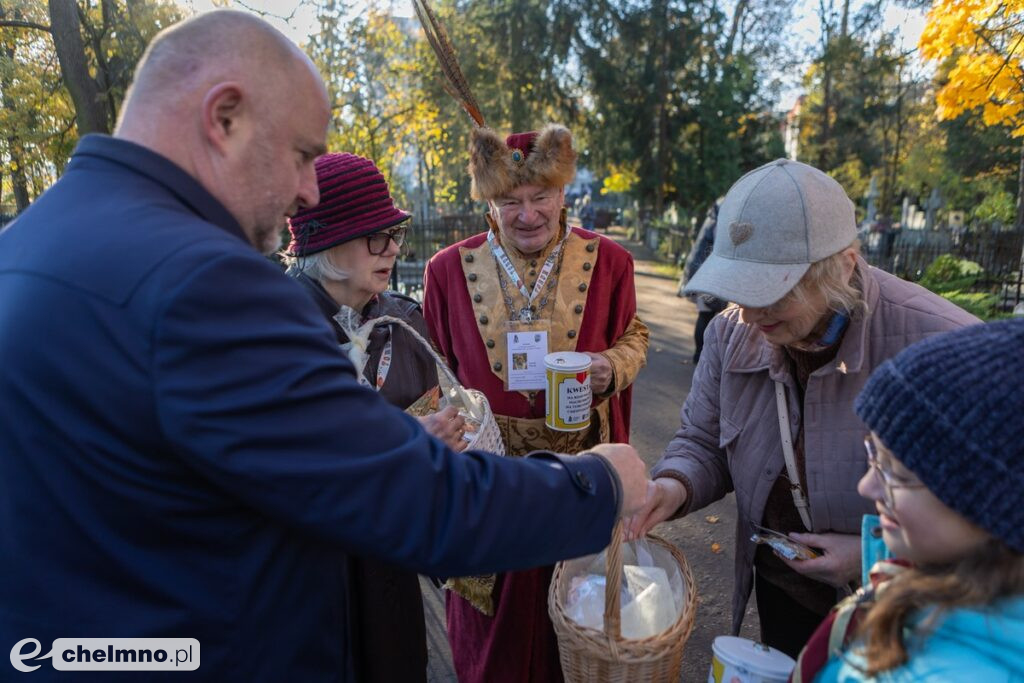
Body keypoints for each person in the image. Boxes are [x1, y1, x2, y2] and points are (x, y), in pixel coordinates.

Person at [0, 12, 650, 682]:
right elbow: (408, 499)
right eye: (304, 155)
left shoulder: (27, 242)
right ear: (224, 116)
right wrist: (596, 484)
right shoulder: (204, 281)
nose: (308, 193)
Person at [625, 158, 978, 657]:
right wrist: (672, 485)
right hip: (786, 587)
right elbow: (704, 441)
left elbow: (993, 521)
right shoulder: (731, 332)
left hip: (907, 614)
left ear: (842, 267)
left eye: (771, 292)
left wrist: (871, 555)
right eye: (739, 290)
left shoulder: (943, 344)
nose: (748, 313)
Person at [423, 124, 650, 682]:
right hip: (488, 490)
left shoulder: (612, 263)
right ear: (490, 203)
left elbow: (635, 336)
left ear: (562, 194)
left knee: (577, 636)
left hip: (580, 483)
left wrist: (612, 367)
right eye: (510, 201)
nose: (527, 215)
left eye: (540, 197)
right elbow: (430, 375)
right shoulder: (446, 270)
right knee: (491, 647)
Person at [282, 152, 464, 683]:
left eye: (394, 234)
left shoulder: (403, 320)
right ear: (324, 240)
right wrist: (407, 442)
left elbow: (433, 417)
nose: (390, 249)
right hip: (313, 585)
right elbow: (283, 466)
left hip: (392, 575)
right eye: (373, 235)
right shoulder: (273, 328)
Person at [791, 319, 1024, 682]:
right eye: (874, 457)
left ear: (998, 506)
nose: (866, 488)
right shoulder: (934, 596)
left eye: (898, 474)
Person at [677, 197, 728, 363]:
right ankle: (701, 356)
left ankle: (700, 355)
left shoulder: (712, 218)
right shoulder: (721, 218)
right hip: (710, 273)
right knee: (708, 315)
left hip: (703, 270)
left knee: (706, 313)